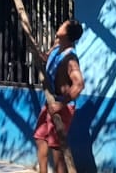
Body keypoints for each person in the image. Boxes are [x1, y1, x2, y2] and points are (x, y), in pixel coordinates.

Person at [34, 18, 85, 173]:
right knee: (40, 138)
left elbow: (79, 84)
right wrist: (36, 52)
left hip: (62, 106)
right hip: (51, 102)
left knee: (56, 149)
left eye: (64, 25)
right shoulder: (57, 47)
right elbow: (46, 57)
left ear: (68, 34)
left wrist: (60, 105)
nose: (61, 24)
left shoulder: (70, 60)